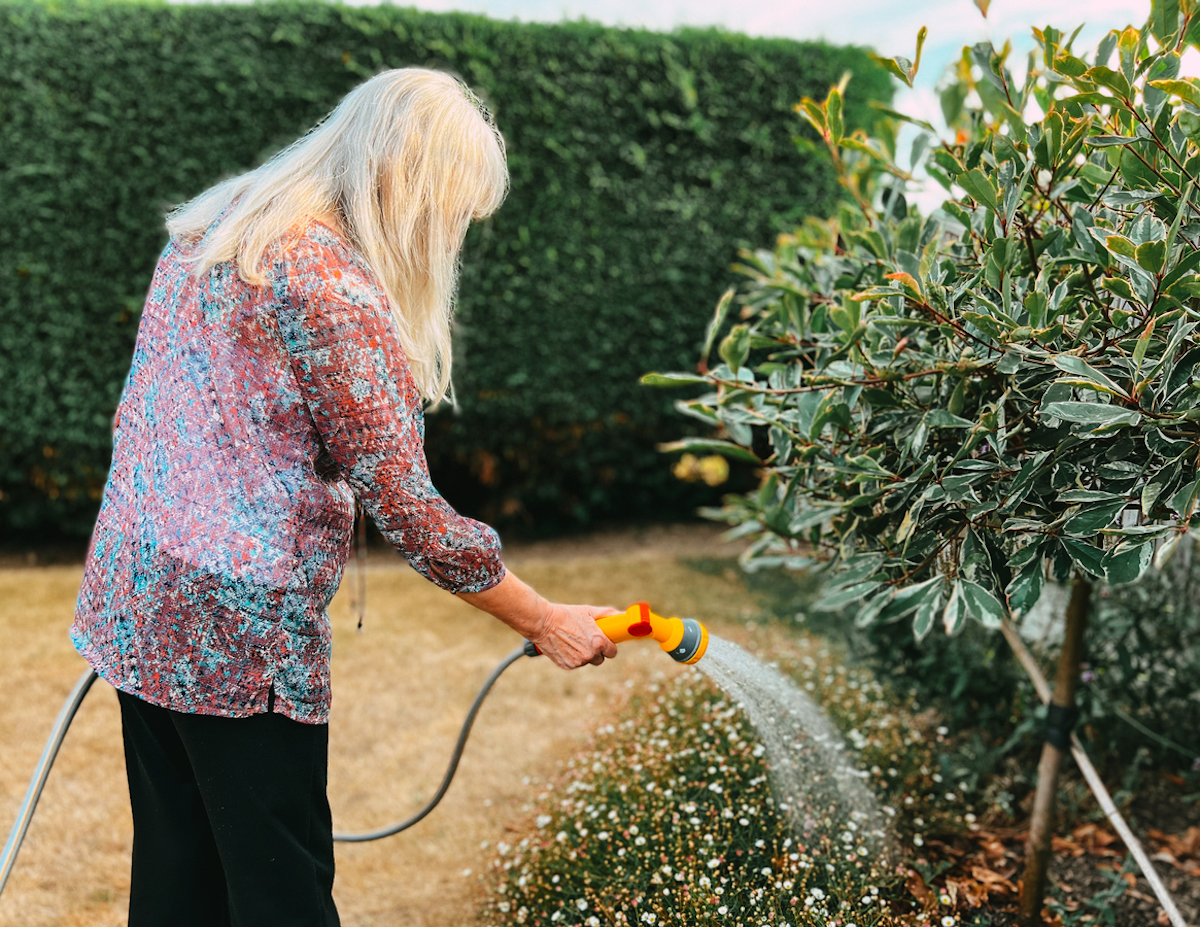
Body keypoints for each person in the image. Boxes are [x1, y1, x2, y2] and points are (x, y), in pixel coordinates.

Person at [70, 68, 619, 927]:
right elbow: (408, 506)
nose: (446, 239)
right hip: (237, 637)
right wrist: (540, 616)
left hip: (137, 594)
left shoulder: (219, 225)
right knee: (279, 892)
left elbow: (133, 409)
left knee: (179, 876)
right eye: (448, 213)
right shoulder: (330, 283)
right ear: (406, 180)